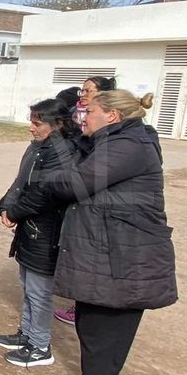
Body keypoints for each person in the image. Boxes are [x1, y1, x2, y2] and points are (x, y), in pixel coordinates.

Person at [25, 90, 177, 375]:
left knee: (105, 339)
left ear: (112, 116)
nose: (83, 117)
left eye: (89, 111)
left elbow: (75, 183)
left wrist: (52, 171)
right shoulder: (110, 141)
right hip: (109, 256)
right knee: (92, 330)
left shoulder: (130, 145)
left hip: (125, 261)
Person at [0, 99, 81, 368]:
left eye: (37, 123)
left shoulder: (63, 152)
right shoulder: (39, 147)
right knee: (27, 285)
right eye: (31, 121)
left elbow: (44, 194)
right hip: (31, 229)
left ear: (59, 124)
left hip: (47, 231)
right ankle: (27, 334)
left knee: (40, 291)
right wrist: (5, 206)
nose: (31, 128)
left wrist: (16, 212)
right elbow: (21, 182)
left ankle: (40, 345)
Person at [55, 75, 115, 325]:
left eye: (88, 91)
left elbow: (79, 181)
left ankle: (85, 307)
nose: (83, 94)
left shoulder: (113, 141)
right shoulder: (83, 124)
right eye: (82, 90)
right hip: (82, 206)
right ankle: (79, 304)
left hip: (98, 210)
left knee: (94, 259)